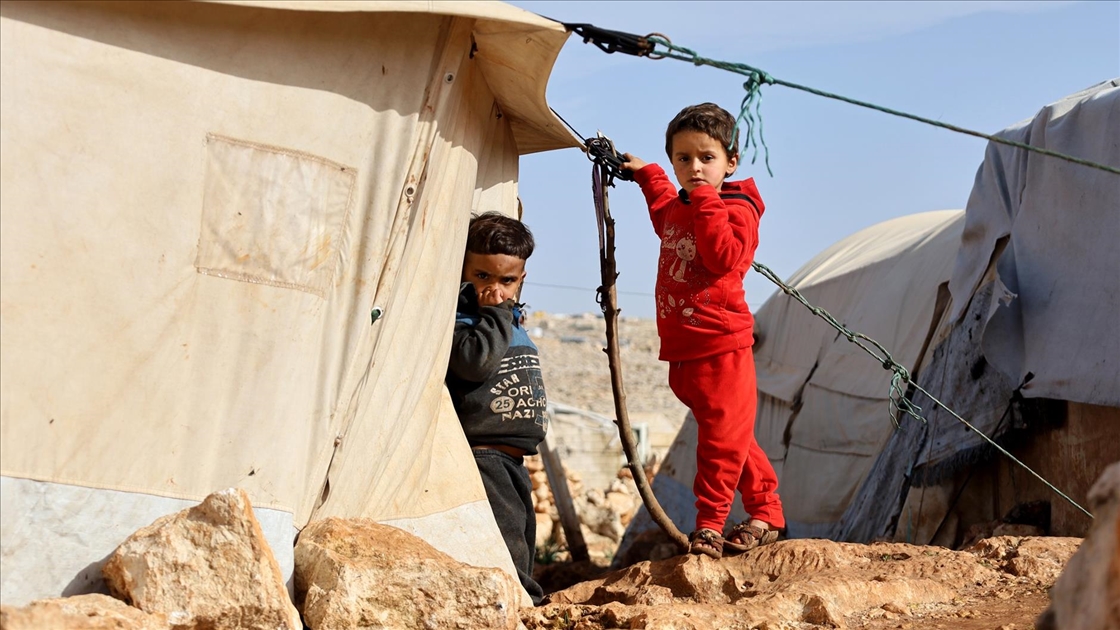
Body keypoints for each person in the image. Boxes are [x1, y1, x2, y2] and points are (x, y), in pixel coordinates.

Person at [621, 103, 785, 559]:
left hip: (721, 344)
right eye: (683, 159)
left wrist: (706, 200)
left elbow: (721, 256)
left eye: (706, 158)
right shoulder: (682, 204)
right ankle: (767, 510)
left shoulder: (736, 206)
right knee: (732, 433)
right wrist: (648, 173)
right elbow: (663, 214)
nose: (694, 168)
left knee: (719, 439)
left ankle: (710, 523)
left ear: (730, 161)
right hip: (682, 347)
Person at [446, 211, 548, 603]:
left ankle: (525, 596)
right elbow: (476, 363)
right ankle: (524, 603)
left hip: (513, 457)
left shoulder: (508, 317)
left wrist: (502, 315)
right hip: (484, 453)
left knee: (522, 531)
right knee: (508, 538)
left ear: (521, 279)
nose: (495, 289)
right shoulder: (465, 319)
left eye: (506, 280)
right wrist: (493, 314)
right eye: (482, 276)